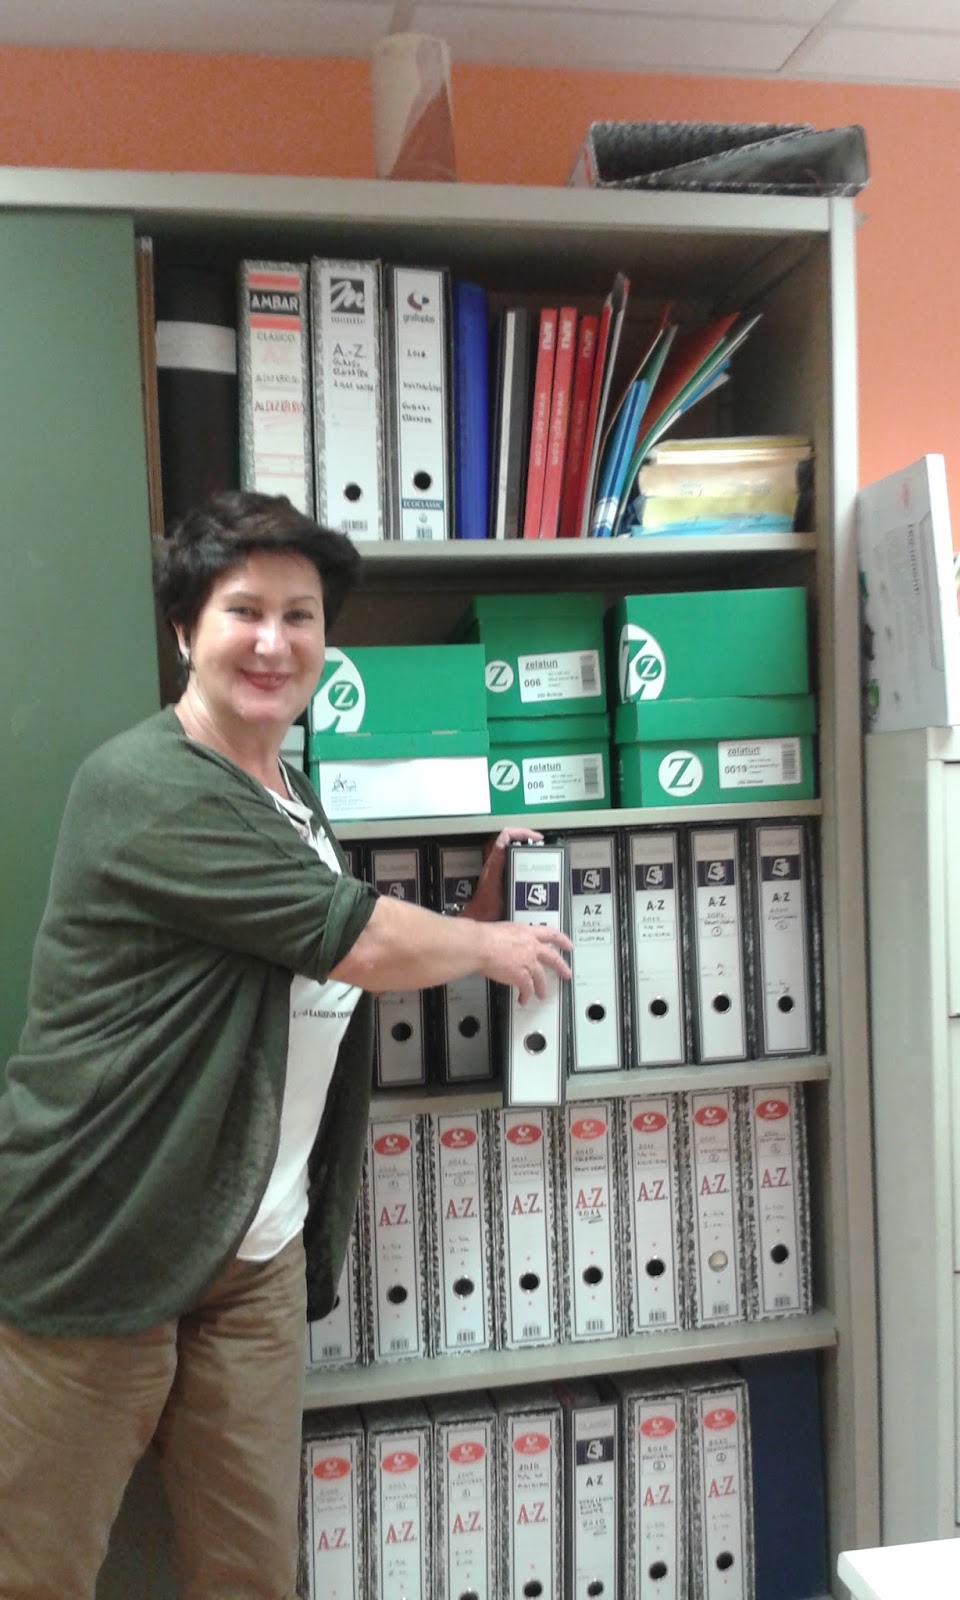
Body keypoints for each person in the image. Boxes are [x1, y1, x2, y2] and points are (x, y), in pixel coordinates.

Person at [0, 490, 573, 1600]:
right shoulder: (144, 783)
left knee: (251, 1572)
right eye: (244, 611)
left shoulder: (291, 800)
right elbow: (349, 937)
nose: (274, 642)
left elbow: (319, 962)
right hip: (104, 1234)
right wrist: (485, 943)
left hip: (254, 1247)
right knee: (37, 1572)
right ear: (185, 630)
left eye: (300, 616)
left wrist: (476, 916)